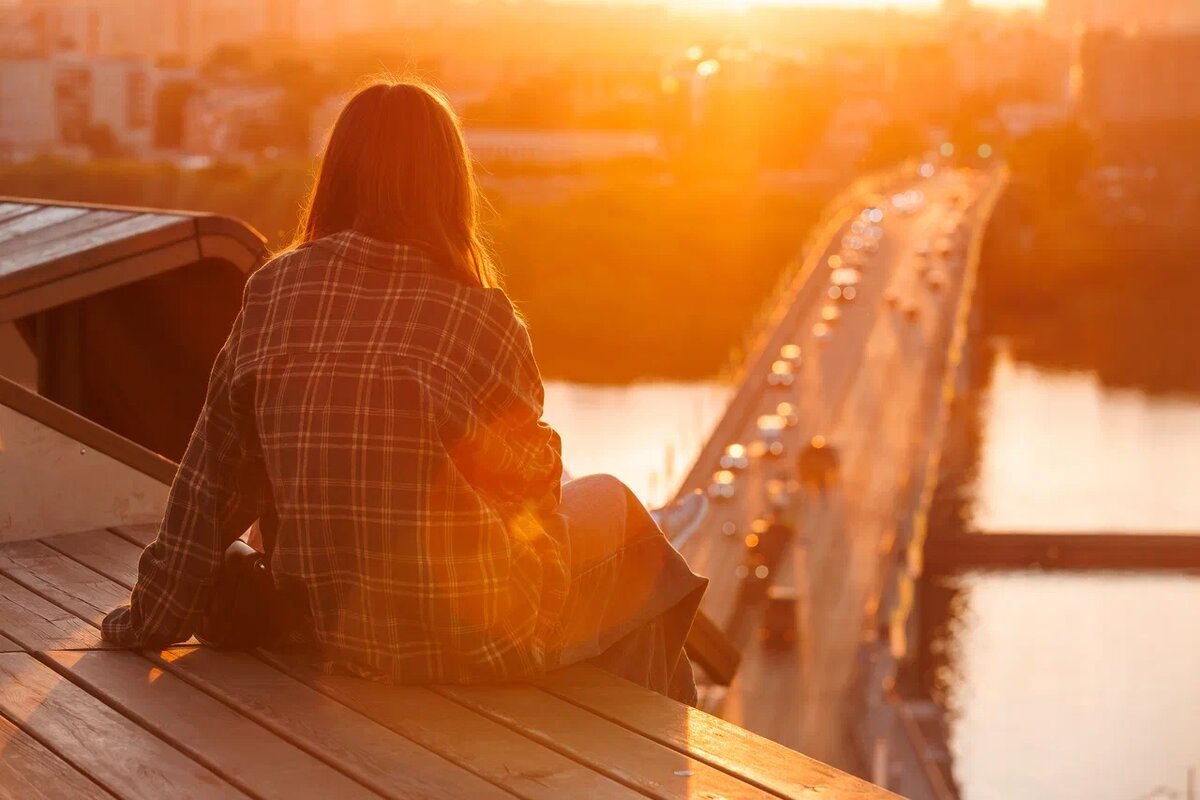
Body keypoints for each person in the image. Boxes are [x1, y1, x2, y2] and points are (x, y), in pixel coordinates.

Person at [101, 80, 708, 704]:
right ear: (449, 186)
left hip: (327, 635)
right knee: (624, 526)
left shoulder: (273, 292)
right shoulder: (481, 315)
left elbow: (207, 490)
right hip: (473, 639)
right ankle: (665, 756)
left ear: (337, 174)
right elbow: (530, 491)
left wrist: (145, 622)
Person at [797, 434, 840, 500]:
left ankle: (824, 502)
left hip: (823, 474)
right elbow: (802, 464)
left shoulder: (826, 451)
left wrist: (833, 470)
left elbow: (833, 461)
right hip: (812, 475)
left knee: (824, 490)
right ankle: (811, 502)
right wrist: (804, 475)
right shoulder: (809, 452)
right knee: (810, 491)